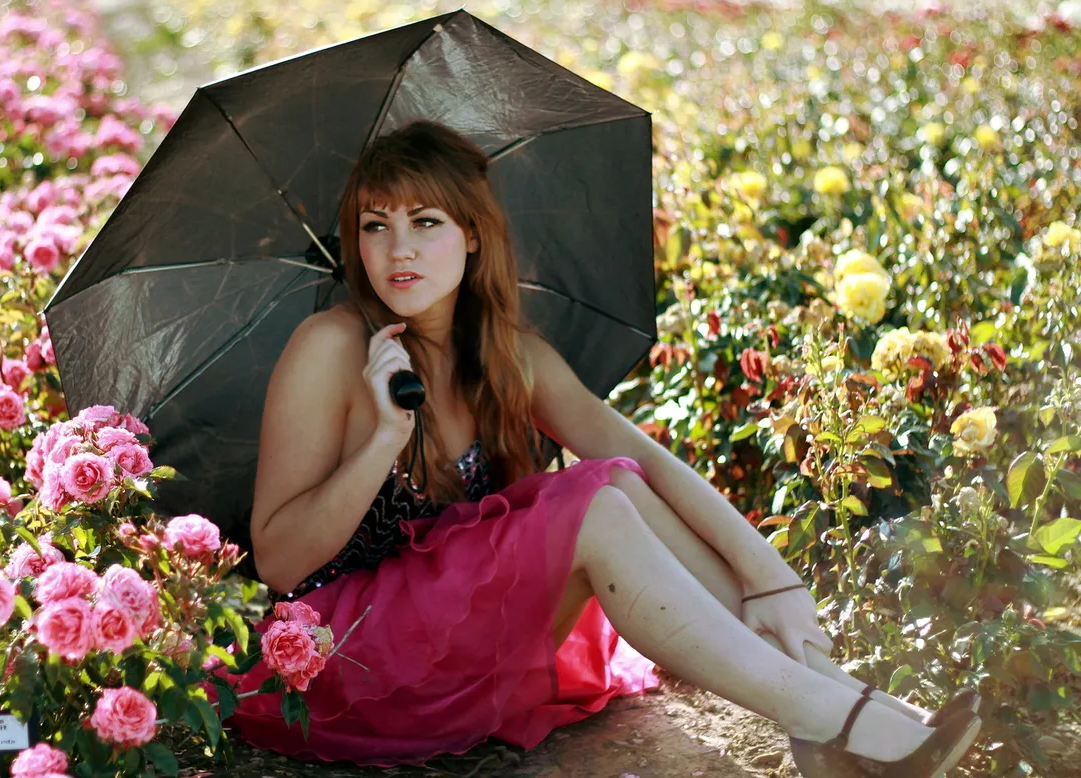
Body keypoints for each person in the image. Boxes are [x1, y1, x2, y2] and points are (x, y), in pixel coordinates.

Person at [226, 120, 982, 775]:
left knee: (611, 479)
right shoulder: (331, 347)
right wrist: (383, 439)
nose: (399, 249)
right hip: (347, 662)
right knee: (593, 504)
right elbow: (281, 562)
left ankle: (834, 706)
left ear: (474, 235)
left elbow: (642, 459)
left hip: (462, 653)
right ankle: (836, 719)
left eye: (425, 222)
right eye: (374, 224)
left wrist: (770, 575)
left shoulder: (506, 355)